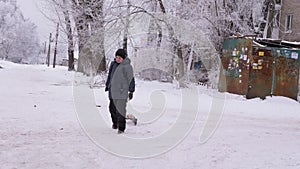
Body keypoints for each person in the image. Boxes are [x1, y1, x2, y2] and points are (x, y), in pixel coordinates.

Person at [105, 49, 135, 134]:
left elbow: (131, 79)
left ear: (124, 58)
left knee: (120, 111)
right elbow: (110, 75)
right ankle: (115, 123)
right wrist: (108, 85)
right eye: (116, 57)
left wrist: (131, 91)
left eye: (119, 58)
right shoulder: (113, 64)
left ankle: (121, 128)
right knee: (112, 109)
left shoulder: (127, 67)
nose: (117, 59)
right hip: (113, 91)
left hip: (122, 92)